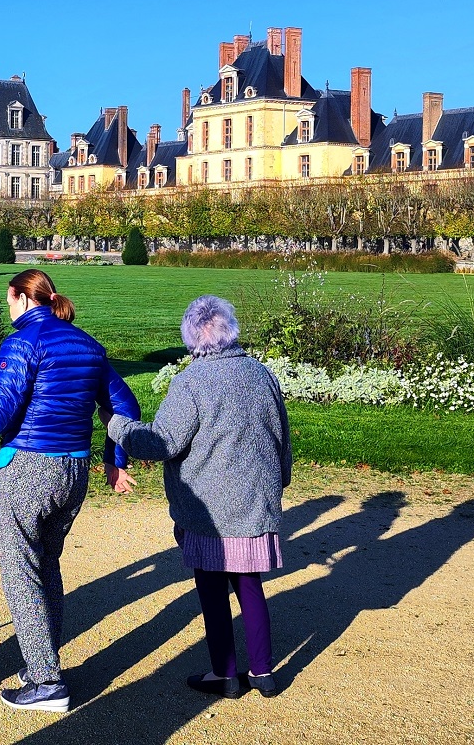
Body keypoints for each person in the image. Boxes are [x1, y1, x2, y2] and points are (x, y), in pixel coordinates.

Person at [0, 268, 140, 714]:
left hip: (30, 466)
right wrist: (114, 458)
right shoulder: (87, 344)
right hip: (74, 469)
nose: (7, 308)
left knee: (20, 572)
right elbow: (125, 406)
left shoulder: (22, 342)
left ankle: (46, 681)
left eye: (8, 299)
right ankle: (41, 670)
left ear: (21, 298)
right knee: (46, 564)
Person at [107, 295, 291, 700]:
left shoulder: (191, 381)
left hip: (208, 508)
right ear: (231, 329)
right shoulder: (261, 374)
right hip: (255, 501)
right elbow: (282, 436)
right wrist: (281, 480)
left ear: (191, 337)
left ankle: (224, 674)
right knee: (249, 584)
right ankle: (262, 673)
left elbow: (162, 442)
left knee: (211, 590)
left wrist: (118, 427)